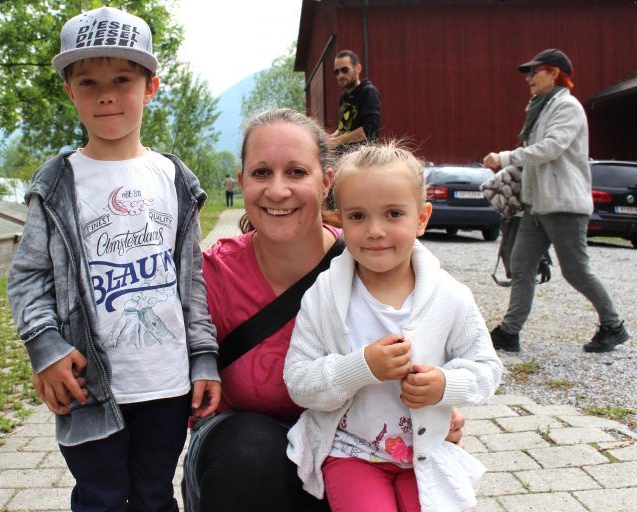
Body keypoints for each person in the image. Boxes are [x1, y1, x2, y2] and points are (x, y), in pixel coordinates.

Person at [183, 109, 466, 512]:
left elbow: (434, 342)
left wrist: (439, 397)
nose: (278, 191)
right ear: (242, 179)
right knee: (253, 453)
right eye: (262, 173)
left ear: (327, 181)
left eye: (297, 172)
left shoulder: (374, 258)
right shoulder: (210, 273)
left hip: (357, 445)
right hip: (241, 460)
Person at [6, 7, 220, 512]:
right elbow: (27, 277)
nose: (105, 94)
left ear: (151, 86)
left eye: (122, 79)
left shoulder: (174, 178)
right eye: (88, 82)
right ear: (69, 92)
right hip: (88, 387)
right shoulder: (57, 182)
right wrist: (46, 348)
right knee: (100, 498)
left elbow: (189, 279)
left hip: (166, 384)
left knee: (153, 496)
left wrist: (204, 357)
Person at [284, 143, 502, 512]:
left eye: (393, 214)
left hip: (428, 454)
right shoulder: (325, 296)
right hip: (351, 453)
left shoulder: (450, 297)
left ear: (422, 217)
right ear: (339, 219)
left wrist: (445, 385)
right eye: (357, 216)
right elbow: (298, 380)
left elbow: (487, 369)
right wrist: (360, 367)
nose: (374, 230)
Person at [482, 48, 630, 353]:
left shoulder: (567, 107)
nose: (529, 78)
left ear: (554, 73)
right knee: (521, 266)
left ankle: (613, 326)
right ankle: (509, 333)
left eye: (534, 72)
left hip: (564, 205)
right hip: (537, 205)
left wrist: (505, 158)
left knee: (576, 271)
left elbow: (552, 147)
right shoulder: (540, 107)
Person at [328, 50, 382, 153]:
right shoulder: (343, 98)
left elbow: (369, 130)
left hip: (363, 159)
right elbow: (344, 127)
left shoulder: (369, 92)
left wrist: (336, 141)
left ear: (358, 68)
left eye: (344, 70)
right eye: (336, 72)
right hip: (344, 157)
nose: (340, 75)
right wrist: (332, 137)